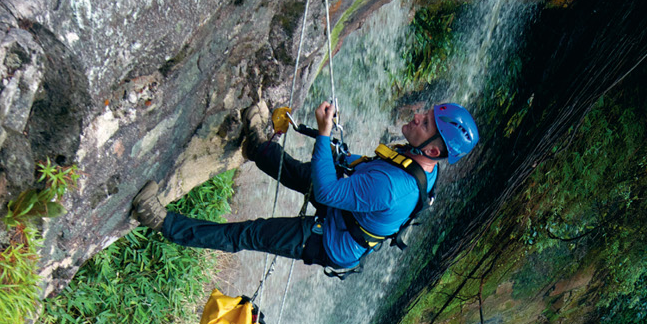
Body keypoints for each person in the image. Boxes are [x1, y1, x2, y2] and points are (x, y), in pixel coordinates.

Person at [131, 100, 480, 272]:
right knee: (302, 172)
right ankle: (255, 145)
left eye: (426, 121)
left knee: (248, 234)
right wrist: (335, 151)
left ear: (433, 148)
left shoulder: (392, 188)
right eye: (426, 112)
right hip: (349, 214)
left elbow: (330, 192)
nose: (418, 116)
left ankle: (161, 221)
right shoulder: (421, 164)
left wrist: (325, 133)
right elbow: (366, 170)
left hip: (332, 238)